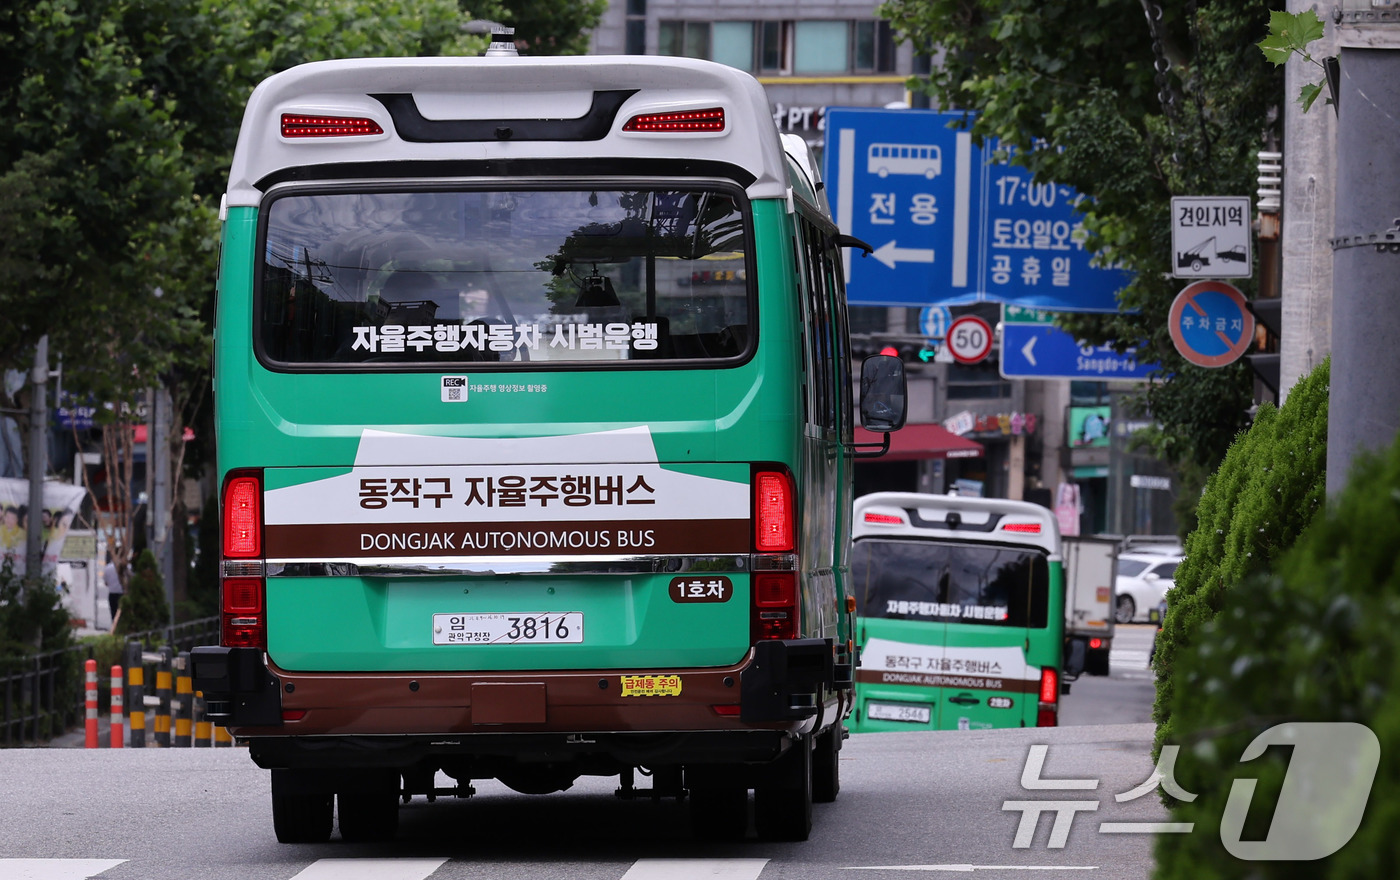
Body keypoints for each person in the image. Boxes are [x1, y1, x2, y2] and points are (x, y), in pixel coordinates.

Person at [104, 556, 124, 621]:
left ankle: (114, 625)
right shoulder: (127, 567)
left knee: (114, 615)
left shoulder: (108, 567)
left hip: (112, 594)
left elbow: (106, 583)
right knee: (122, 615)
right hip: (122, 594)